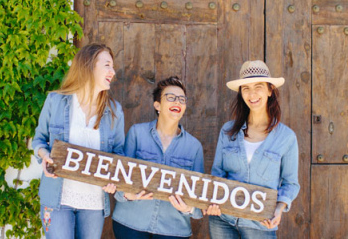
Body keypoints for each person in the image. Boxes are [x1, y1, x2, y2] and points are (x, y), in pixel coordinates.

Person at [32, 43, 124, 238]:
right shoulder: (56, 101)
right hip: (58, 199)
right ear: (89, 66)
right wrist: (45, 156)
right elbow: (39, 139)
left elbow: (118, 155)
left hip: (93, 202)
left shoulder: (115, 111)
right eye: (107, 65)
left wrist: (113, 179)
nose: (113, 72)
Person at [206, 60, 300, 239]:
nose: (252, 93)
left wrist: (279, 209)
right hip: (223, 220)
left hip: (260, 224)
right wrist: (213, 201)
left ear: (270, 90)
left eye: (258, 86)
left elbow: (290, 184)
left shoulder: (286, 137)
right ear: (241, 93)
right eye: (246, 88)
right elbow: (217, 174)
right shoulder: (227, 131)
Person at [111, 76, 204, 239]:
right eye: (171, 97)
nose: (178, 102)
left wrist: (189, 208)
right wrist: (127, 195)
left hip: (173, 230)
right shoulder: (136, 133)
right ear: (157, 105)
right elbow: (120, 179)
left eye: (182, 99)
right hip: (130, 223)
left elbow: (199, 202)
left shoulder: (194, 147)